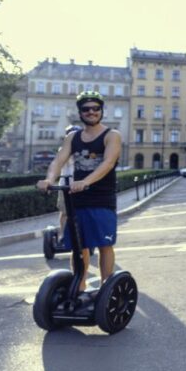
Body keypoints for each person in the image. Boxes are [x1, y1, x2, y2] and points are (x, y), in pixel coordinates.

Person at [37, 90, 122, 299]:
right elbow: (58, 161)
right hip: (78, 198)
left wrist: (86, 181)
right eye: (86, 109)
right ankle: (79, 286)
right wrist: (49, 179)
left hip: (102, 198)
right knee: (79, 246)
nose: (91, 112)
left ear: (101, 111)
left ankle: (105, 287)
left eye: (95, 108)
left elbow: (108, 163)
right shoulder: (72, 138)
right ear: (80, 112)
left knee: (104, 244)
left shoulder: (112, 135)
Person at [55, 124, 82, 242]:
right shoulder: (63, 150)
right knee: (65, 212)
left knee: (81, 212)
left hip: (80, 186)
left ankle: (80, 233)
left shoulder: (83, 150)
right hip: (65, 185)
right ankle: (62, 234)